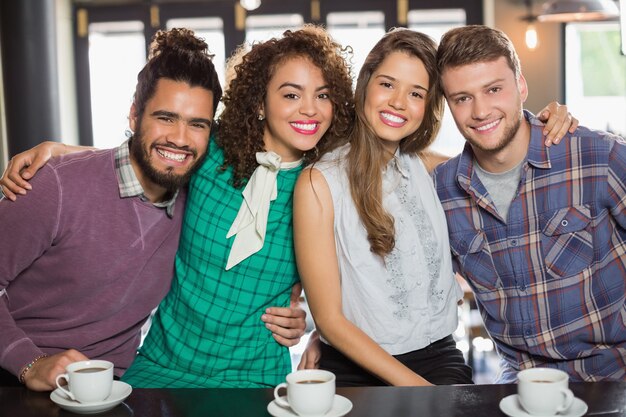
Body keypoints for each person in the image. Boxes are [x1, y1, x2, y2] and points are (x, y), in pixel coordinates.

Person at [0, 28, 305, 391]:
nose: (179, 138)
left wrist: (295, 318)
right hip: (18, 377)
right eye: (165, 117)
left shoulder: (200, 191)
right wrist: (28, 363)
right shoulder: (53, 186)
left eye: (197, 124)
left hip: (115, 385)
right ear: (133, 115)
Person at [292, 28, 578, 387]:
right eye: (386, 84)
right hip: (356, 368)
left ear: (428, 106)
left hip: (440, 356)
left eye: (416, 93)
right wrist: (422, 393)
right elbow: (330, 319)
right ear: (365, 86)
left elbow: (504, 157)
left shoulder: (429, 168)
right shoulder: (319, 183)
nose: (398, 102)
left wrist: (545, 121)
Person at [432, 25, 626, 383]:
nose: (480, 110)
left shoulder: (597, 157)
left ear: (520, 85)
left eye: (493, 89)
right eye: (462, 98)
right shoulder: (442, 192)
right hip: (520, 385)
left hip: (615, 377)